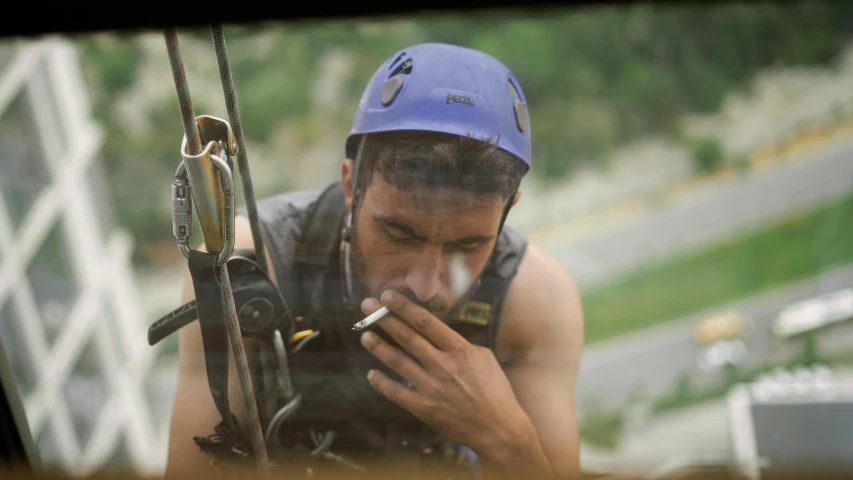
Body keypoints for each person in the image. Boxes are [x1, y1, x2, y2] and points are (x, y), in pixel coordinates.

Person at [164, 42, 584, 480]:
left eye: (467, 246)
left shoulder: (534, 298)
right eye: (398, 234)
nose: (424, 286)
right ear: (351, 187)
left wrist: (508, 440)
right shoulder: (251, 265)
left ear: (508, 210)